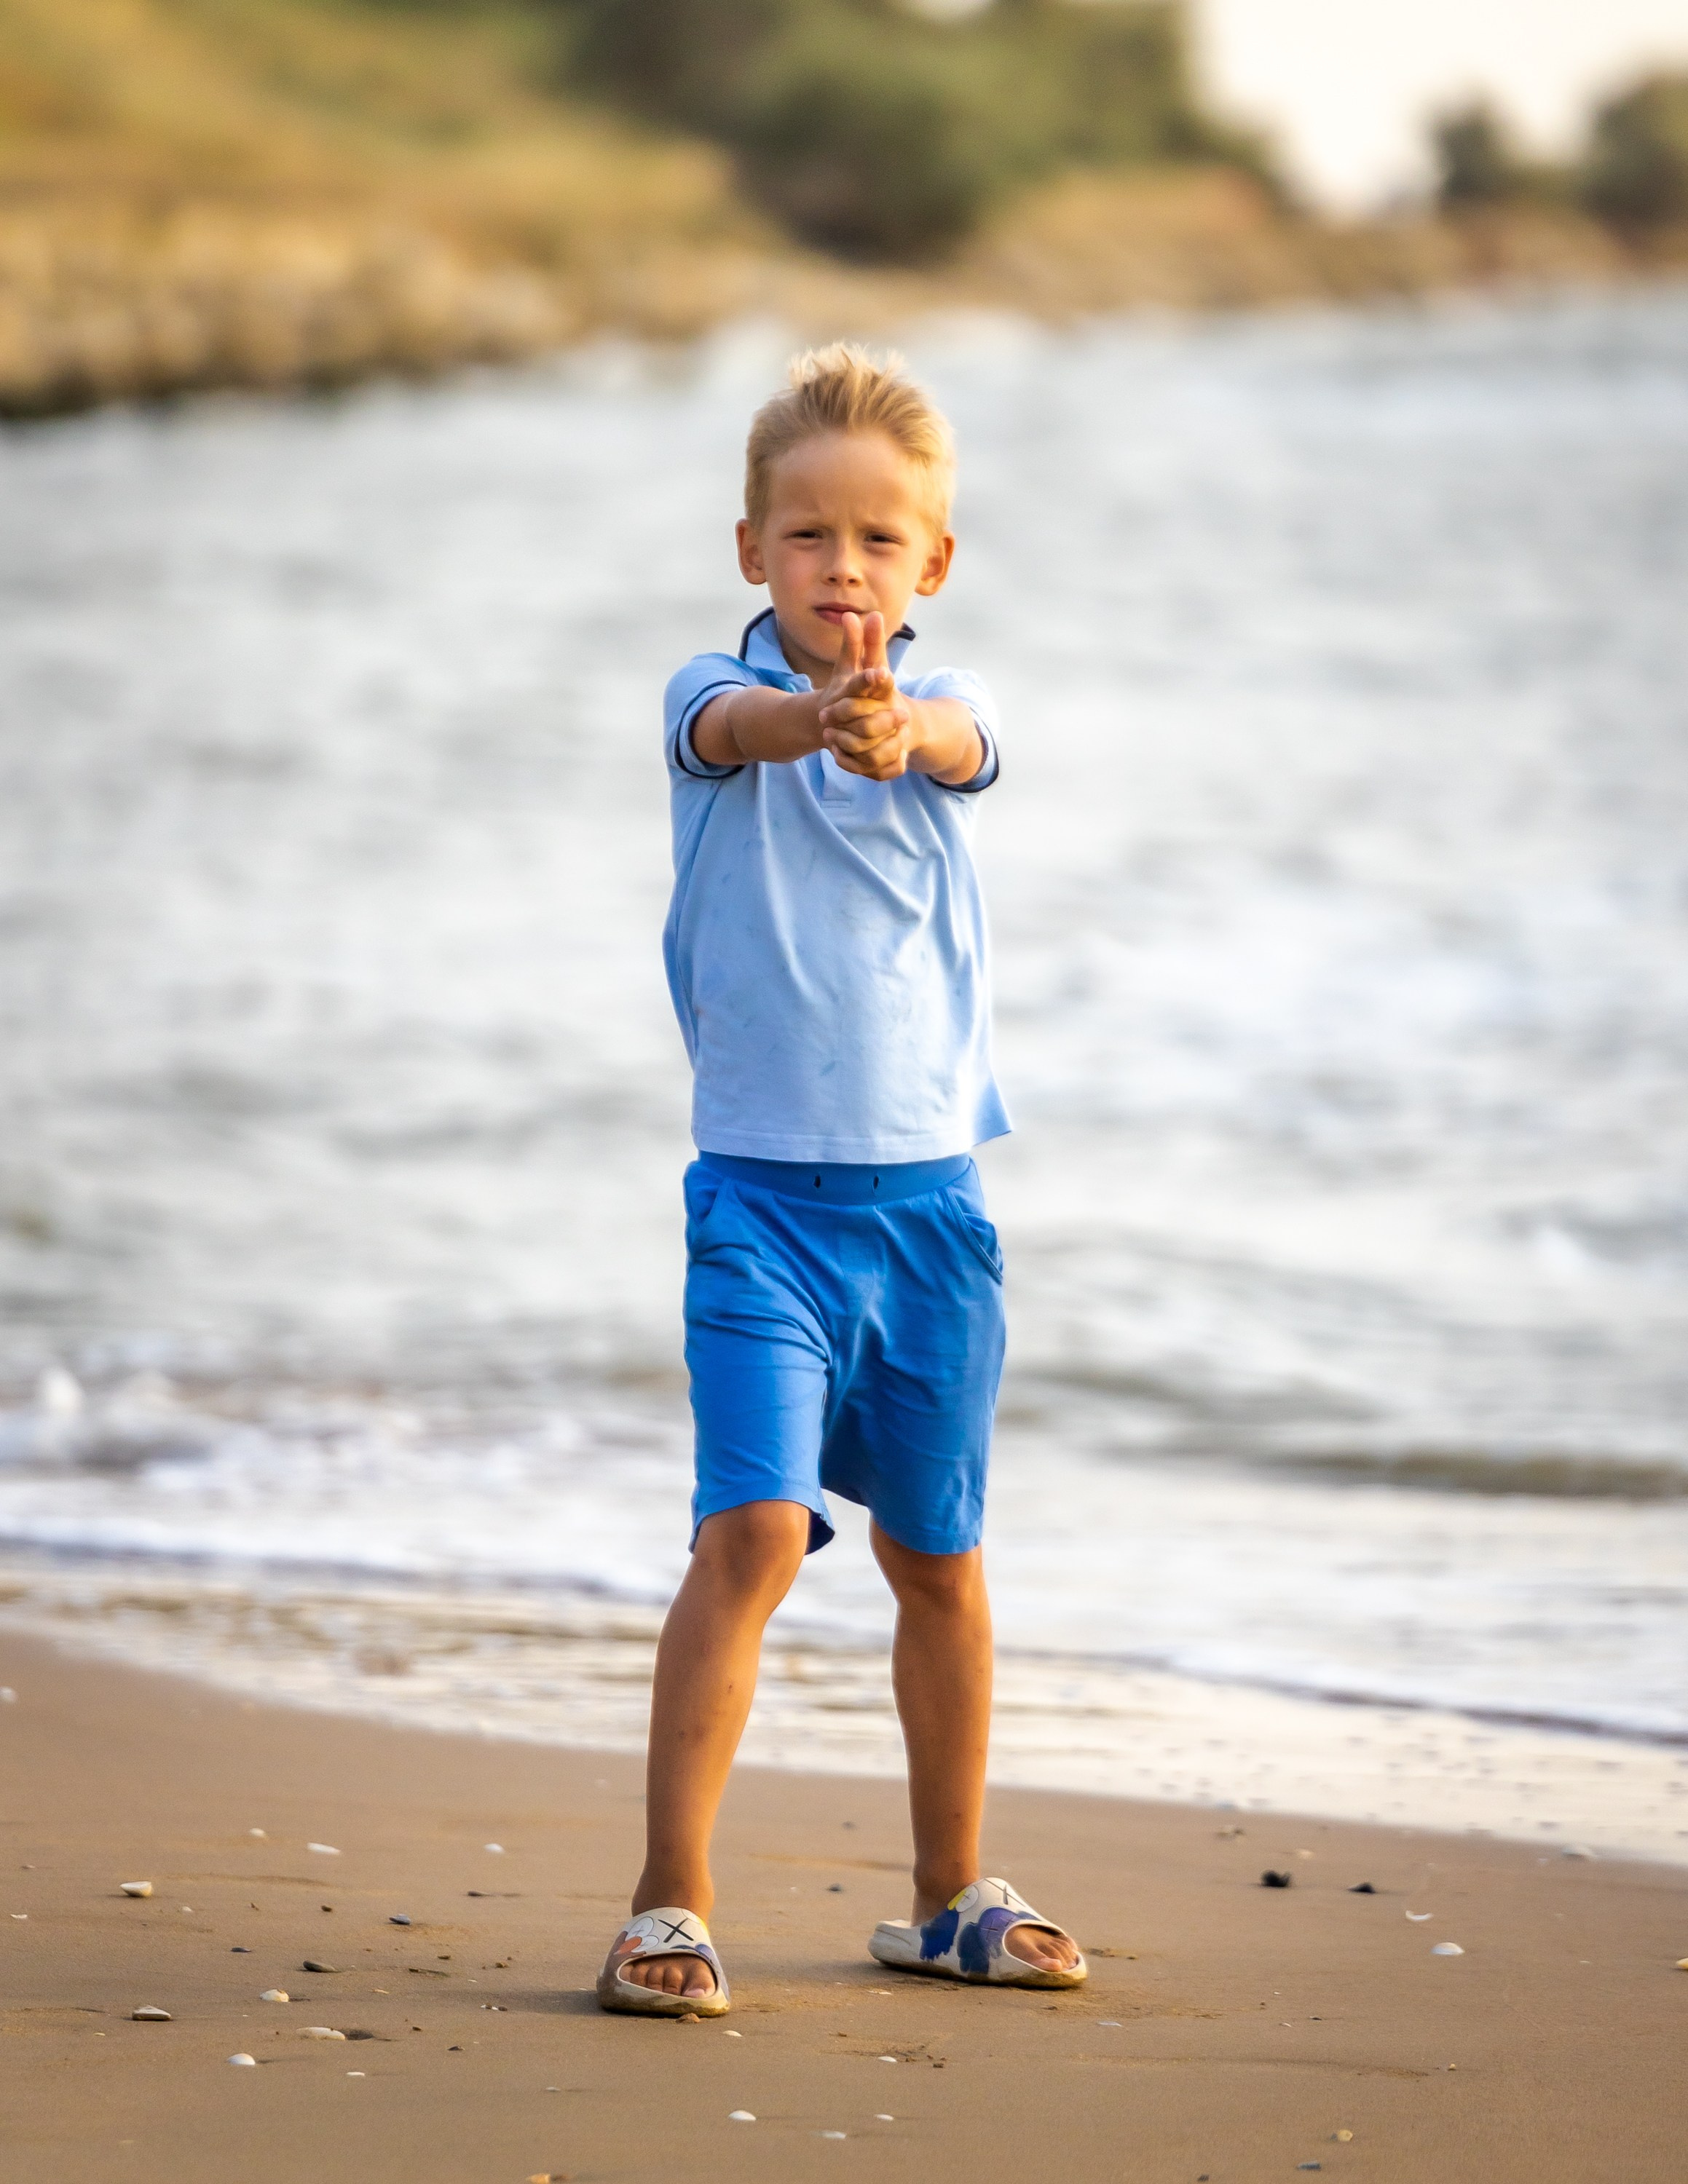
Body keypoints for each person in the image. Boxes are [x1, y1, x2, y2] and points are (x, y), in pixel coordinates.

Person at [596, 344, 1085, 2017]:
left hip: (929, 1219)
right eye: (807, 538)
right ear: (752, 552)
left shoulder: (959, 715)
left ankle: (949, 1890)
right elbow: (734, 725)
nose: (842, 571)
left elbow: (955, 745)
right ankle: (670, 1902)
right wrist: (811, 722)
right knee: (749, 1531)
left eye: (879, 544)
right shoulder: (705, 708)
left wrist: (896, 733)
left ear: (930, 566)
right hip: (759, 1215)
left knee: (936, 1558)